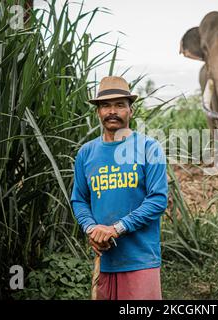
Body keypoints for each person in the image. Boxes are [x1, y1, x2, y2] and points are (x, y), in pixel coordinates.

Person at [70, 76, 168, 300]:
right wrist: (92, 229)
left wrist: (116, 229)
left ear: (130, 111)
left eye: (119, 105)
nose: (112, 111)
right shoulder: (86, 153)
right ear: (98, 112)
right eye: (105, 105)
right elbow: (79, 199)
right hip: (105, 262)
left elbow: (158, 200)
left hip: (141, 260)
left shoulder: (148, 148)